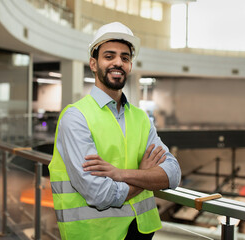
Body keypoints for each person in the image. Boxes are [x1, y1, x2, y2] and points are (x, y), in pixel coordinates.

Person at [48, 22, 181, 240]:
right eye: (109, 56)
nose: (118, 62)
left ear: (129, 66)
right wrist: (145, 174)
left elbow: (173, 173)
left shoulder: (141, 118)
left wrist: (121, 174)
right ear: (93, 63)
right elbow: (99, 194)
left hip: (142, 231)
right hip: (95, 235)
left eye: (125, 58)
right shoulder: (76, 117)